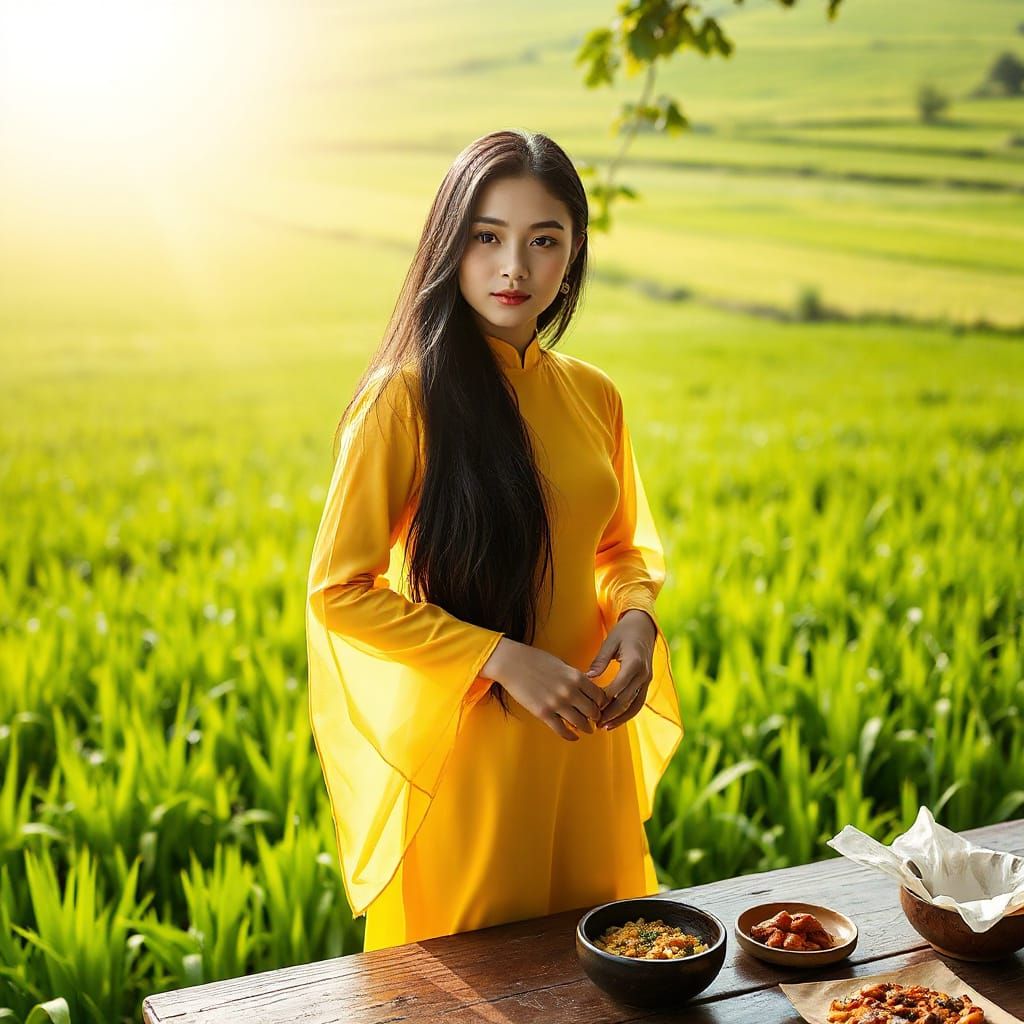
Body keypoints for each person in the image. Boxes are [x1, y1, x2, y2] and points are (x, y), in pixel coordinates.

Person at [305, 129, 683, 952]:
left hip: (587, 740)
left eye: (544, 241)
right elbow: (338, 594)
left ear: (573, 255)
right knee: (479, 983)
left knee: (605, 970)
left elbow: (622, 550)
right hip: (474, 748)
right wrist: (501, 657)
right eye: (488, 237)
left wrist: (637, 622)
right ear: (451, 244)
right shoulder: (402, 403)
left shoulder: (594, 394)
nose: (515, 266)